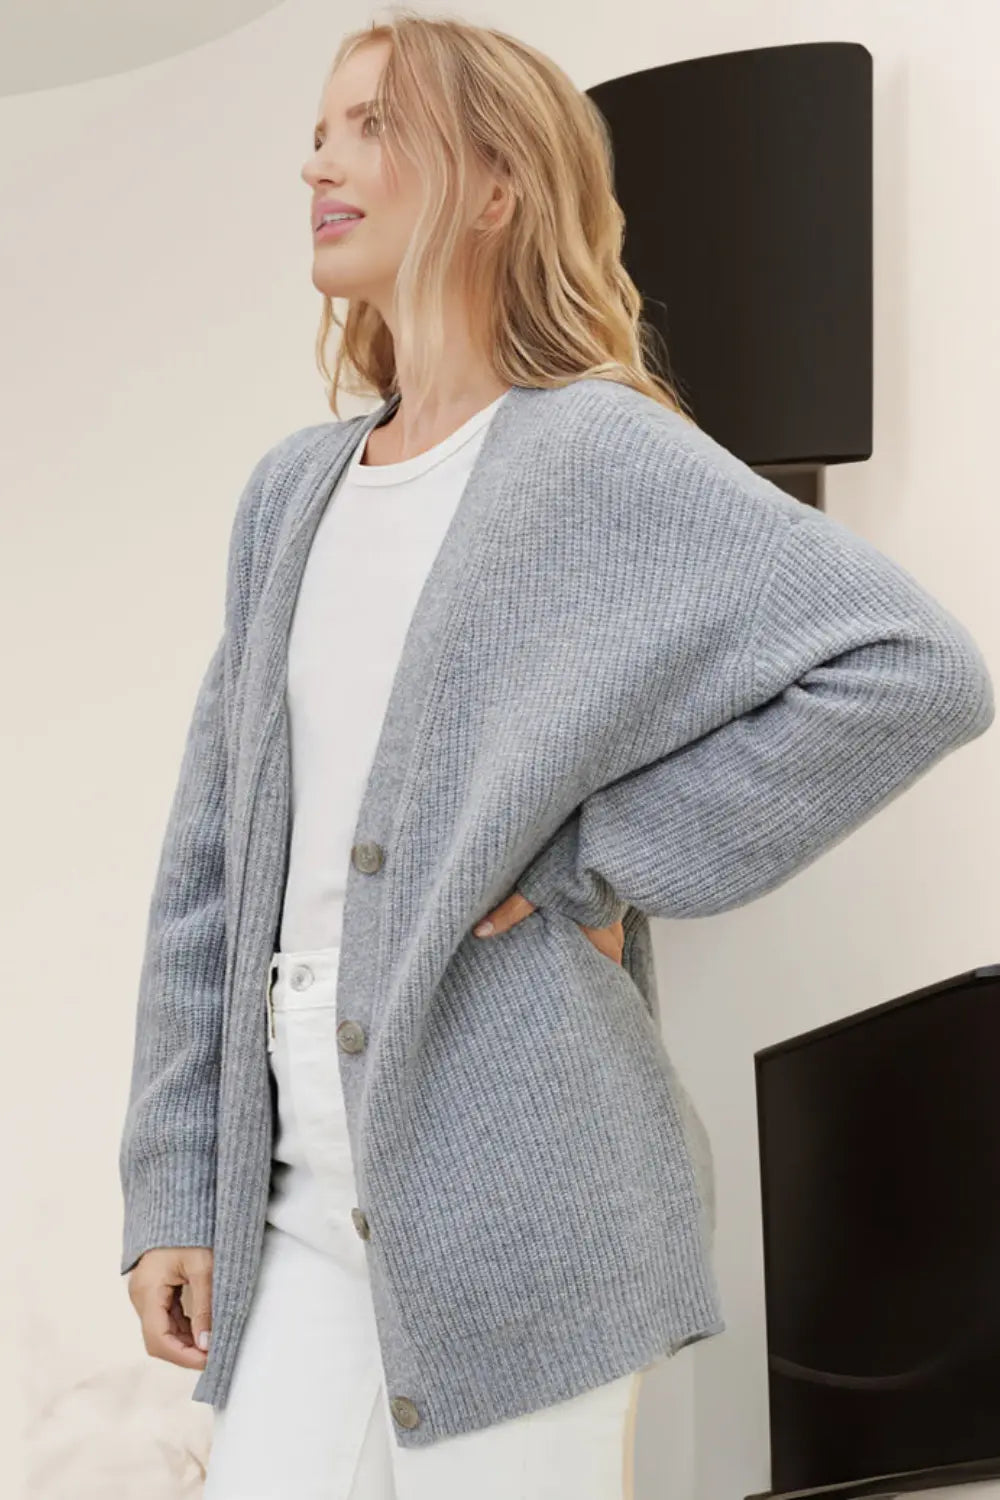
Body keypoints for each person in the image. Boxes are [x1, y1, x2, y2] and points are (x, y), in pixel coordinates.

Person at [118, 11, 995, 1500]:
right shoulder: (292, 494)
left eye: (371, 124)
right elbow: (208, 862)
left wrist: (597, 857)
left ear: (498, 181)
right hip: (294, 1186)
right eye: (321, 131)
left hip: (522, 1180)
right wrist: (168, 1185)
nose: (319, 161)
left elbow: (914, 670)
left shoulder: (596, 455)